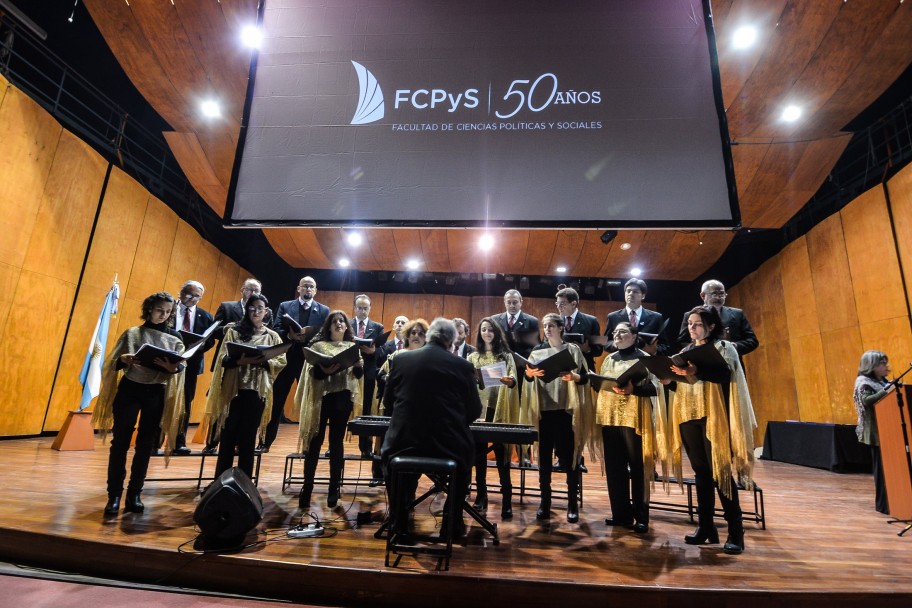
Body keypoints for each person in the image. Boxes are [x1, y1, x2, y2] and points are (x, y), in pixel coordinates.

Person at [381, 318, 483, 535]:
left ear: (428, 337)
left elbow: (388, 403)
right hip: (447, 447)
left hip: (403, 444)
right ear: (451, 342)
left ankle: (398, 519)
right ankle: (450, 522)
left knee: (392, 466)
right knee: (466, 462)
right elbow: (474, 411)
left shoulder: (401, 360)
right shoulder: (463, 366)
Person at [669, 305, 756, 555]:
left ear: (711, 326)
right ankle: (706, 527)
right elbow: (684, 385)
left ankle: (735, 532)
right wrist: (669, 379)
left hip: (713, 416)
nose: (692, 328)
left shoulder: (724, 347)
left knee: (721, 473)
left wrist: (697, 371)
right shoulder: (685, 350)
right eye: (689, 324)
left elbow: (726, 375)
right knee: (701, 474)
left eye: (697, 324)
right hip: (688, 414)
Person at [93, 292, 185, 517]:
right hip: (130, 389)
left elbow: (180, 367)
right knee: (120, 441)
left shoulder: (175, 339)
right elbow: (111, 363)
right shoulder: (133, 332)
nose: (163, 315)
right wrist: (123, 360)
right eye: (159, 310)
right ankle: (114, 495)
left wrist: (174, 368)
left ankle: (135, 493)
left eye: (167, 312)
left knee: (145, 445)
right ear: (149, 309)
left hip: (156, 392)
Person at [595, 322, 667, 533]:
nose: (616, 335)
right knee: (615, 469)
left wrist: (633, 390)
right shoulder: (609, 358)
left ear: (635, 336)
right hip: (610, 419)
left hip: (635, 420)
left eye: (622, 331)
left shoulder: (645, 358)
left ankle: (641, 516)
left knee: (638, 468)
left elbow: (656, 388)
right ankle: (621, 514)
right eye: (615, 332)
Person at [205, 294, 287, 480]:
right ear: (246, 309)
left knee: (248, 440)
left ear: (266, 312)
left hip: (257, 391)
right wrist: (239, 361)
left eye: (260, 308)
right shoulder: (234, 332)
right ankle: (221, 481)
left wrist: (264, 361)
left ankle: (244, 484)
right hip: (234, 391)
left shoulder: (272, 336)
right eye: (252, 307)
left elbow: (281, 360)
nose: (256, 311)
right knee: (227, 438)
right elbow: (222, 359)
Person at [522, 313, 593, 523]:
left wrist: (575, 377)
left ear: (561, 328)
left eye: (552, 325)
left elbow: (585, 377)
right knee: (544, 458)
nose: (548, 329)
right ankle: (545, 502)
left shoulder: (572, 349)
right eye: (545, 326)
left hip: (566, 409)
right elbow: (528, 378)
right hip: (544, 409)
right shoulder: (537, 351)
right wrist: (528, 375)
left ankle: (572, 503)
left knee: (570, 458)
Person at [295, 310, 363, 509]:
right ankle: (307, 487)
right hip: (321, 398)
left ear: (346, 326)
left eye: (342, 321)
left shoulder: (352, 347)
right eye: (335, 321)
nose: (339, 324)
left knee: (336, 443)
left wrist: (359, 366)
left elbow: (356, 377)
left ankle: (334, 488)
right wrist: (322, 371)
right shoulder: (318, 345)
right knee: (314, 443)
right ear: (329, 326)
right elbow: (309, 373)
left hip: (342, 398)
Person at [266, 276, 330, 451]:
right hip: (287, 358)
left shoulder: (324, 310)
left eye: (312, 287)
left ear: (315, 291)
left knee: (311, 401)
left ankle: (310, 443)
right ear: (299, 288)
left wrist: (310, 337)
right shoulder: (286, 306)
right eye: (305, 286)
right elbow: (276, 327)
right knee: (276, 401)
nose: (308, 289)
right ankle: (265, 441)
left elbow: (325, 335)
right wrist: (289, 336)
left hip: (309, 360)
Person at [467, 318, 520, 519]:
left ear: (497, 333)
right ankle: (481, 496)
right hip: (479, 410)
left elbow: (514, 380)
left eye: (490, 330)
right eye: (483, 329)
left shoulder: (505, 356)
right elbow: (469, 383)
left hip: (498, 408)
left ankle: (507, 500)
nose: (487, 333)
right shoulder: (473, 357)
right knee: (479, 456)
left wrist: (510, 380)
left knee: (501, 454)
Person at [204, 278, 263, 454]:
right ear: (242, 290)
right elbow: (212, 332)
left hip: (251, 368)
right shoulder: (228, 307)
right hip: (228, 363)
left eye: (257, 291)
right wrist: (224, 329)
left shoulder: (263, 310)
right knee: (220, 401)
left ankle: (240, 442)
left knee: (244, 407)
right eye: (250, 290)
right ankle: (212, 441)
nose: (253, 294)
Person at [370, 318, 428, 486]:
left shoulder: (427, 358)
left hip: (418, 414)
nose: (416, 336)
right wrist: (387, 378)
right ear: (407, 336)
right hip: (395, 411)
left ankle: (409, 493)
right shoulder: (396, 355)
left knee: (414, 457)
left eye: (420, 333)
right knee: (391, 452)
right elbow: (380, 375)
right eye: (413, 333)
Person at [168, 280, 216, 455]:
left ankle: (179, 442)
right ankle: (154, 440)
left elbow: (210, 340)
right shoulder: (169, 309)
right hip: (166, 362)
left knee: (185, 403)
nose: (193, 298)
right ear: (181, 291)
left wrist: (199, 346)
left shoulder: (205, 316)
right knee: (161, 401)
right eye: (189, 293)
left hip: (191, 365)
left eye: (197, 296)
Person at [853, 350, 894, 514]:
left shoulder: (883, 380)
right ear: (872, 366)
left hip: (890, 429)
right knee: (882, 470)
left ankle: (898, 500)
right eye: (882, 363)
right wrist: (886, 391)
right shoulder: (863, 382)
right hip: (877, 432)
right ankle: (883, 505)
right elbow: (867, 401)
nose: (887, 366)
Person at [676, 280, 758, 359]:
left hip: (732, 364)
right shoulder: (690, 315)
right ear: (703, 296)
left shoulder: (737, 314)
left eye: (722, 294)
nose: (719, 298)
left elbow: (752, 341)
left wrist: (733, 346)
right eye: (714, 294)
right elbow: (682, 342)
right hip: (701, 365)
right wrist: (701, 350)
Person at [350, 294, 385, 460]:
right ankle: (336, 447)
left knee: (366, 411)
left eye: (365, 308)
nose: (362, 311)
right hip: (348, 373)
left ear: (370, 308)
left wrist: (374, 351)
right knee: (344, 409)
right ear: (354, 308)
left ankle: (366, 447)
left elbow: (384, 351)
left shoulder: (377, 327)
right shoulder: (346, 324)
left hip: (369, 375)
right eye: (359, 308)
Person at [604, 278, 669, 355]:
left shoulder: (656, 317)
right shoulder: (613, 317)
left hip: (646, 363)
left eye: (635, 291)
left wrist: (654, 350)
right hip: (622, 363)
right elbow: (605, 343)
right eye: (628, 291)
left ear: (643, 296)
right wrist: (616, 344)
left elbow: (665, 346)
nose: (631, 294)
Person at [555, 286, 602, 373]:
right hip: (560, 370)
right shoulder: (554, 321)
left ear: (573, 304)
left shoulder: (592, 321)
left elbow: (599, 350)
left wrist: (587, 349)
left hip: (583, 370)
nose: (558, 307)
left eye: (562, 304)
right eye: (557, 303)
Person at [494, 289, 540, 359]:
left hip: (523, 365)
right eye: (508, 302)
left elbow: (536, 348)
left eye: (515, 302)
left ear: (521, 302)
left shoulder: (532, 321)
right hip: (501, 363)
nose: (512, 305)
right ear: (504, 303)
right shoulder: (494, 320)